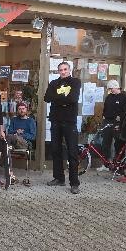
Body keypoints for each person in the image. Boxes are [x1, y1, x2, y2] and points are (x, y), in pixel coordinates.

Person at [44, 62, 82, 194]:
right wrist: (63, 97)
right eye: (61, 70)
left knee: (72, 152)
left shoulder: (75, 82)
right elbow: (47, 97)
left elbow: (73, 98)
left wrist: (58, 98)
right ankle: (59, 178)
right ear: (58, 71)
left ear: (69, 70)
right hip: (55, 121)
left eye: (65, 69)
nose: (63, 72)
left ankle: (74, 183)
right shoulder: (54, 83)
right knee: (56, 151)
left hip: (69, 121)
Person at [99, 80, 126, 168]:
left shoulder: (125, 97)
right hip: (107, 122)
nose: (110, 90)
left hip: (118, 123)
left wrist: (121, 117)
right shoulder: (109, 97)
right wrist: (104, 117)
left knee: (118, 144)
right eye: (109, 89)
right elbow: (105, 109)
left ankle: (119, 164)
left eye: (111, 88)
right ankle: (106, 164)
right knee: (105, 143)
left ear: (116, 87)